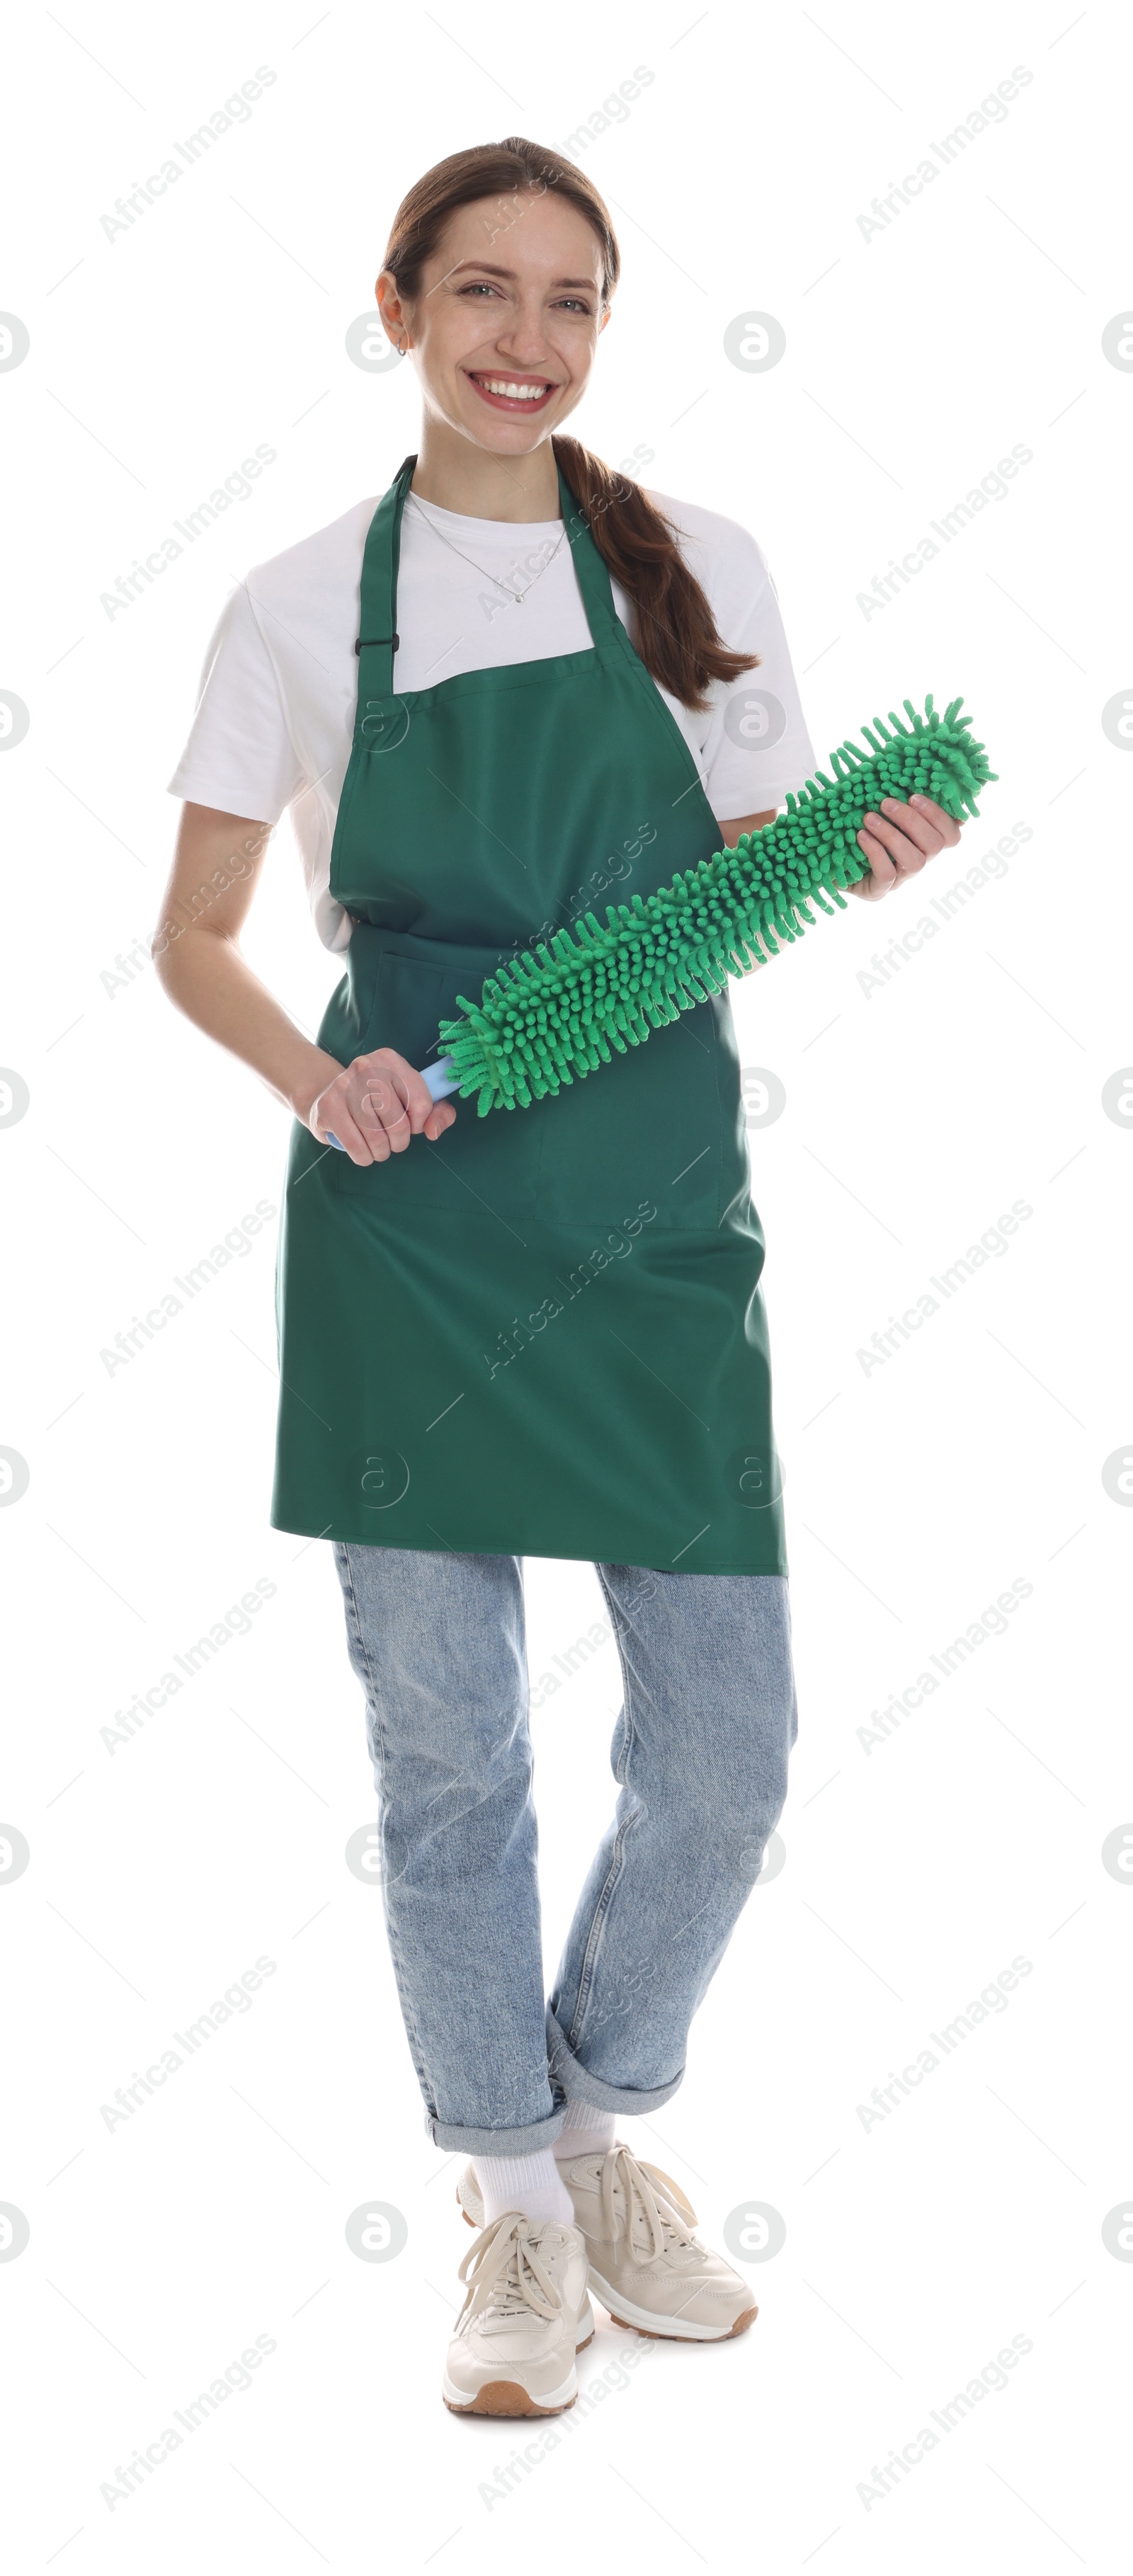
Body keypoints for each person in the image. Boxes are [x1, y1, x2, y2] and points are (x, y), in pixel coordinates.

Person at [158, 137, 966, 2420]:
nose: (528, 341)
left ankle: (599, 2119)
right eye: (483, 292)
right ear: (397, 300)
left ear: (607, 330)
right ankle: (511, 2219)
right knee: (449, 1756)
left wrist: (854, 859)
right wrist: (323, 1093)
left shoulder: (698, 565)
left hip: (645, 1208)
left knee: (728, 1753)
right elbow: (196, 941)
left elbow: (735, 869)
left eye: (576, 303)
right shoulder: (302, 605)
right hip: (413, 1203)